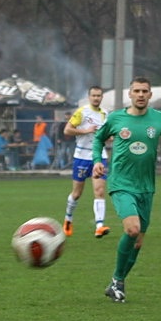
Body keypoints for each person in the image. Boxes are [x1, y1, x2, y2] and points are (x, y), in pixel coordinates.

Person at [92, 76, 161, 303]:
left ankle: (117, 282)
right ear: (130, 94)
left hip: (146, 187)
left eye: (145, 91)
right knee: (132, 229)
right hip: (122, 184)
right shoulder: (116, 118)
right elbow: (98, 139)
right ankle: (117, 282)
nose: (141, 95)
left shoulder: (160, 119)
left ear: (150, 95)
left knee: (138, 241)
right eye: (137, 91)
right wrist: (98, 160)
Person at [63, 85, 110, 238]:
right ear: (89, 97)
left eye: (99, 95)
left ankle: (99, 226)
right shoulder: (82, 112)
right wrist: (86, 130)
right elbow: (67, 130)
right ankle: (68, 219)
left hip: (99, 156)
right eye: (94, 95)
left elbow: (107, 136)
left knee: (100, 191)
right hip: (82, 157)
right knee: (77, 194)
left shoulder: (105, 114)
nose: (96, 98)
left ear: (102, 97)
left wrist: (113, 136)